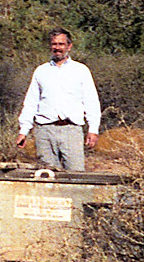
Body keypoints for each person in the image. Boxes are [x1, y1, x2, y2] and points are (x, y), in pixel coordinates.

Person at [14, 28, 100, 171]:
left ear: (69, 46)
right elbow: (31, 102)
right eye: (54, 44)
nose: (57, 48)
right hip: (44, 130)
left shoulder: (81, 70)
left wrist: (93, 129)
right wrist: (24, 131)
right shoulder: (41, 71)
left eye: (61, 44)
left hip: (71, 129)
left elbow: (91, 102)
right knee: (47, 175)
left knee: (76, 174)